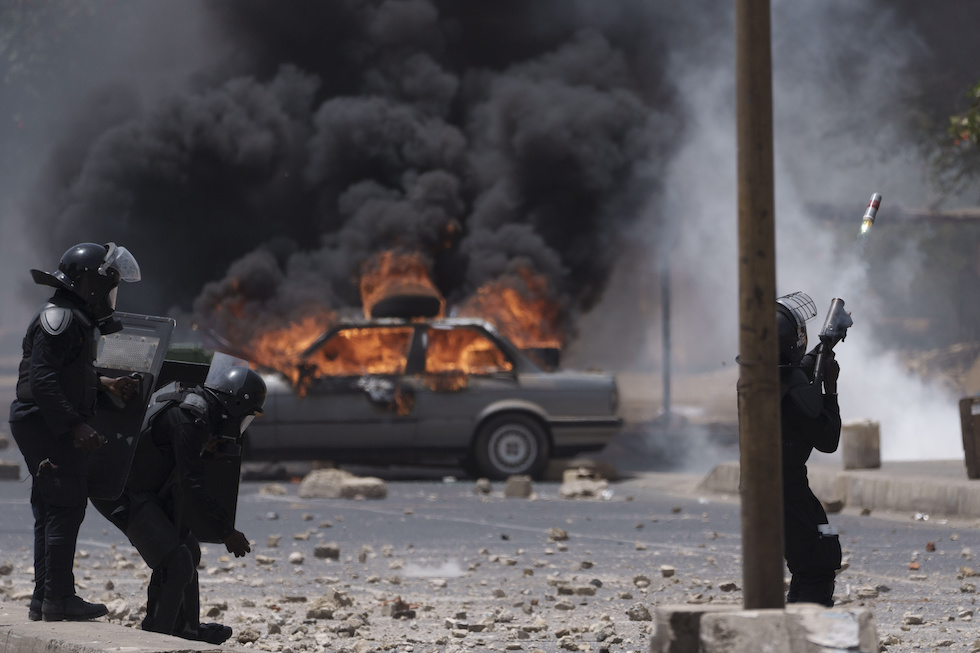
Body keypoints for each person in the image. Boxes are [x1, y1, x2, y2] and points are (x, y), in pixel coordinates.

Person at [9, 242, 141, 622]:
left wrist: (105, 385)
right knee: (66, 506)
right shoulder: (61, 318)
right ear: (91, 284)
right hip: (46, 422)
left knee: (51, 509)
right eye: (109, 285)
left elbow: (68, 372)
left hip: (40, 421)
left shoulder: (69, 316)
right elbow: (44, 379)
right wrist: (75, 425)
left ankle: (44, 597)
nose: (110, 295)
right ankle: (59, 599)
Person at [92, 364, 266, 644]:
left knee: (187, 550)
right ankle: (158, 639)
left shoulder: (196, 409)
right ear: (233, 404)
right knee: (176, 562)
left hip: (143, 488)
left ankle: (187, 630)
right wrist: (226, 532)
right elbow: (191, 483)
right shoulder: (191, 418)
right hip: (123, 493)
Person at [776, 291, 843, 607]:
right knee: (821, 559)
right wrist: (831, 389)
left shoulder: (760, 378)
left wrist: (823, 348)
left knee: (805, 567)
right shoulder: (795, 390)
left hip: (768, 488)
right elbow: (828, 441)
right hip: (789, 490)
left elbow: (795, 369)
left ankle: (795, 629)